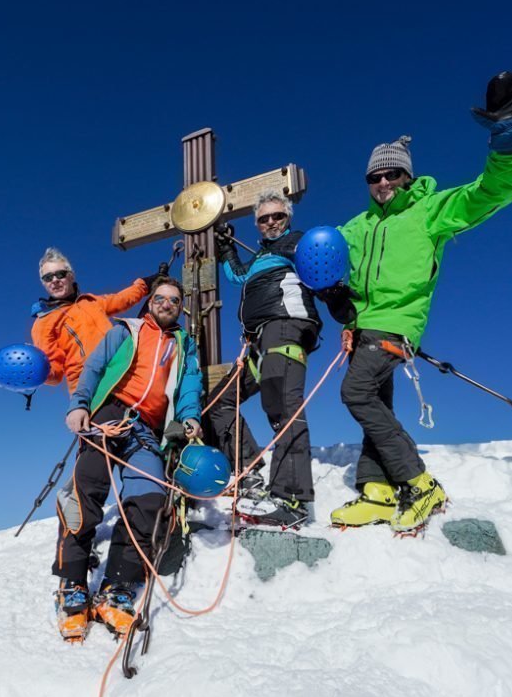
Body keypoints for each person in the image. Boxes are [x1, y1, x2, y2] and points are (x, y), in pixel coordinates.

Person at [331, 71, 512, 533]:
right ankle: (377, 491)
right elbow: (315, 253)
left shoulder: (431, 210)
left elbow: (491, 192)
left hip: (397, 323)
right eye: (374, 176)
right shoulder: (356, 226)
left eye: (392, 173)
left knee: (356, 392)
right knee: (375, 402)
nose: (383, 181)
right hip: (363, 327)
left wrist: (507, 137)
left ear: (408, 175)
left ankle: (420, 483)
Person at [55, 277, 203, 642]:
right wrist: (80, 405)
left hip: (147, 431)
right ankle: (72, 583)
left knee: (149, 499)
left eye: (173, 300)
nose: (166, 303)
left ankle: (117, 585)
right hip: (109, 415)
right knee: (85, 491)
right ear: (150, 301)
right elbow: (93, 367)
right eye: (160, 297)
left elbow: (189, 385)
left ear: (179, 307)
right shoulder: (126, 330)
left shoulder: (183, 345)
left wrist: (190, 416)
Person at [207, 191, 323, 526]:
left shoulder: (298, 244)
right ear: (256, 224)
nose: (271, 222)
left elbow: (322, 265)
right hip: (259, 341)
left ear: (288, 219)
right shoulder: (261, 256)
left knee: (283, 407)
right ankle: (251, 471)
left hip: (285, 327)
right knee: (220, 402)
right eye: (264, 218)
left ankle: (293, 500)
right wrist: (227, 246)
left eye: (278, 216)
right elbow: (238, 276)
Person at [31, 247, 160, 395]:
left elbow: (122, 300)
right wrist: (36, 368)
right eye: (48, 277)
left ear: (71, 276)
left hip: (122, 373)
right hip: (88, 388)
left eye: (60, 274)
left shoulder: (91, 302)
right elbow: (54, 373)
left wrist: (145, 284)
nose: (54, 281)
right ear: (44, 283)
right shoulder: (43, 322)